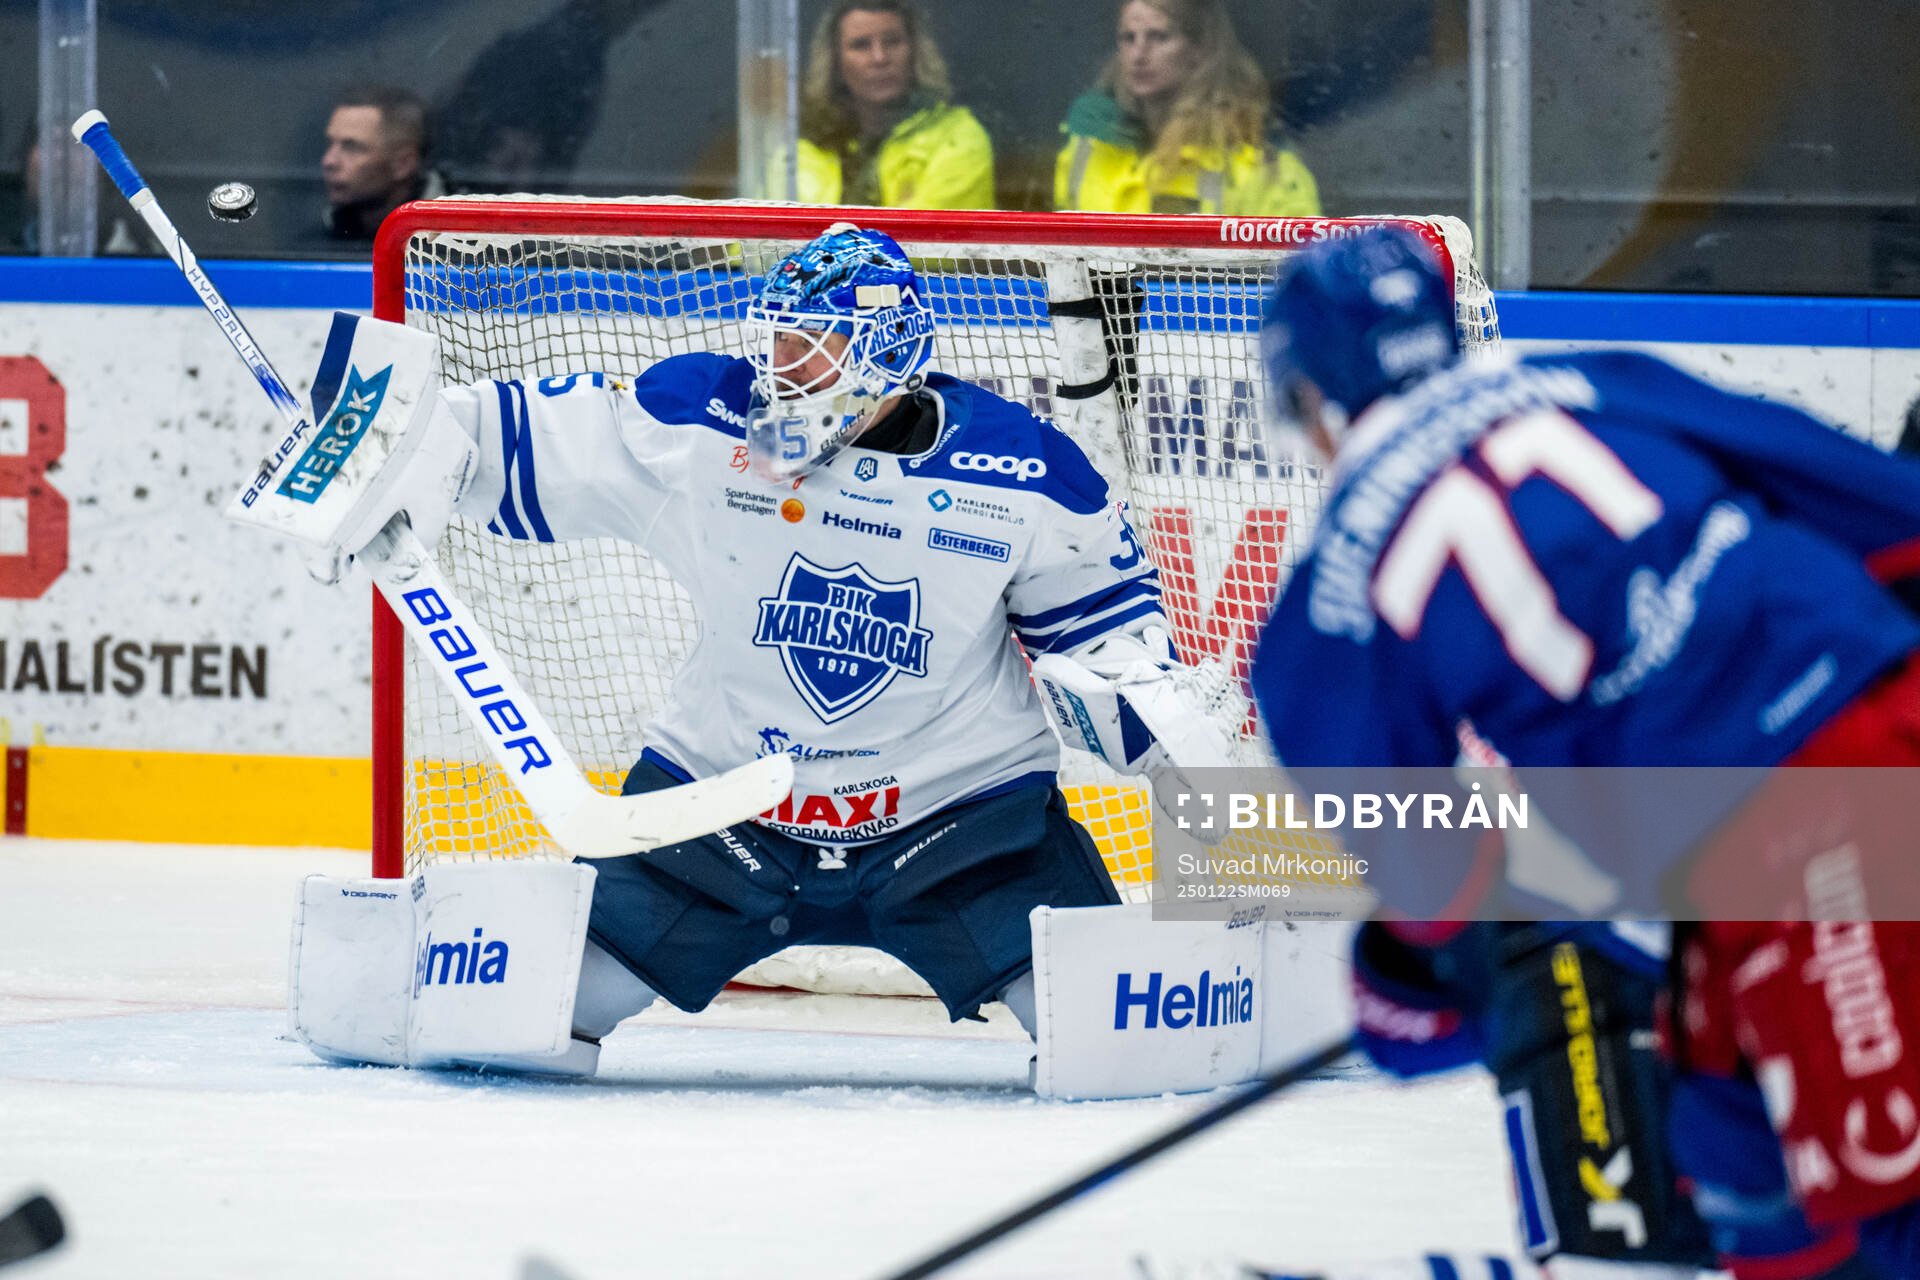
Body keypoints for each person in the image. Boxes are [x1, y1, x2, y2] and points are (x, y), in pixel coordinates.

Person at [303, 223, 1239, 1077]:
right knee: (502, 1034)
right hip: (717, 816)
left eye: (811, 347)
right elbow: (498, 441)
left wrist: (1143, 711)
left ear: (889, 352)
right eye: (777, 340)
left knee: (1125, 1051)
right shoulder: (706, 424)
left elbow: (1109, 645)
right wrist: (383, 444)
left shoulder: (1025, 472)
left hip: (957, 822)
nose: (781, 370)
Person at [1247, 227, 1920, 1277]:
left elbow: (1437, 894)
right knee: (1734, 1148)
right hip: (1831, 770)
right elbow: (1892, 515)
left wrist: (1431, 983)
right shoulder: (1590, 380)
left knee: (1879, 1195)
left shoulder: (1323, 613)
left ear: (1308, 404)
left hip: (1811, 821)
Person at [1055, 0, 1319, 217]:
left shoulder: (1263, 165)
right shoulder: (1088, 146)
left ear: (1200, 48)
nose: (1139, 54)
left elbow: (1301, 274)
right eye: (1128, 38)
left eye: (1159, 37)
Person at [796, 0, 994, 209]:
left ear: (915, 52)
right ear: (834, 62)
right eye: (861, 45)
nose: (879, 58)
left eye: (892, 42)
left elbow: (923, 237)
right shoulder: (801, 152)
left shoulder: (959, 137)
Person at [315, 85, 444, 245]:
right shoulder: (311, 244)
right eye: (330, 143)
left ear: (403, 164)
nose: (328, 161)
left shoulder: (462, 246)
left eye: (351, 147)